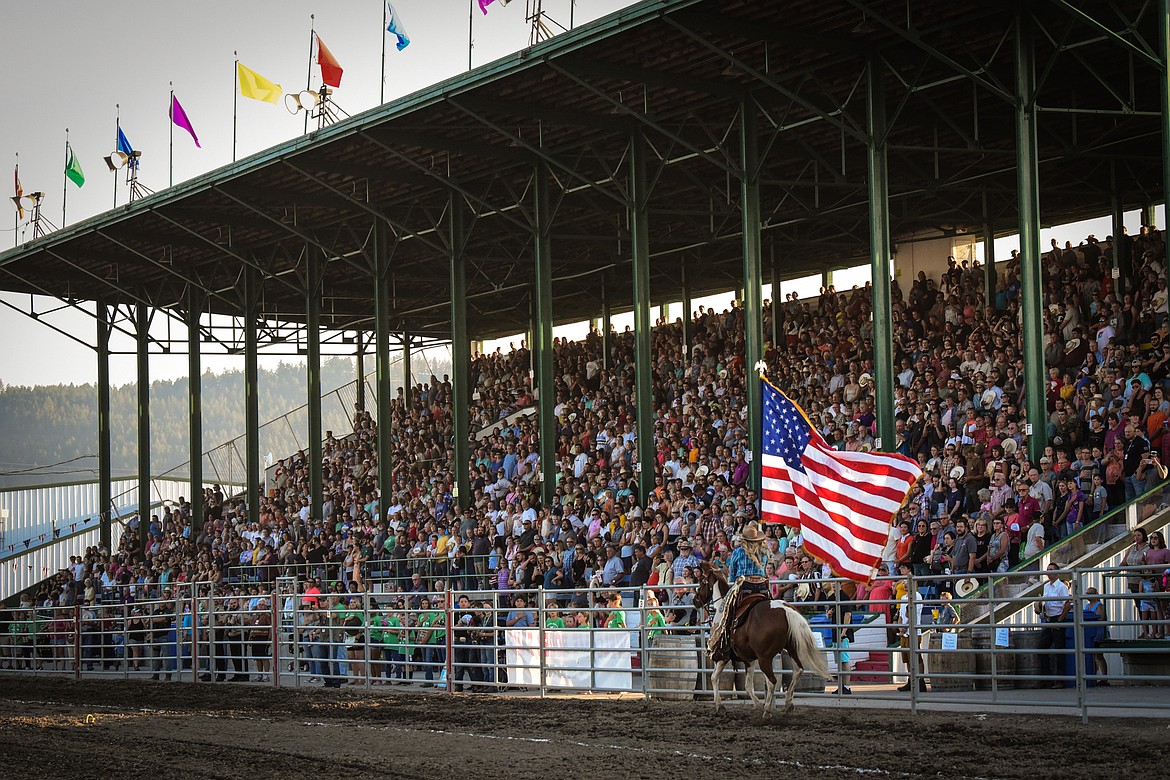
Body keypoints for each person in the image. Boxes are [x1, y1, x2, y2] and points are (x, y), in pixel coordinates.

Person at [1035, 563, 1071, 688]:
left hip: (1057, 618)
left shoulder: (1061, 587)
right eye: (1048, 570)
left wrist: (1060, 620)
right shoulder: (1046, 587)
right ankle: (1047, 679)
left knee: (1059, 650)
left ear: (1057, 572)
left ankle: (1060, 681)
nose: (1049, 572)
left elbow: (1067, 604)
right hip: (1049, 619)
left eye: (1051, 570)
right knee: (1041, 649)